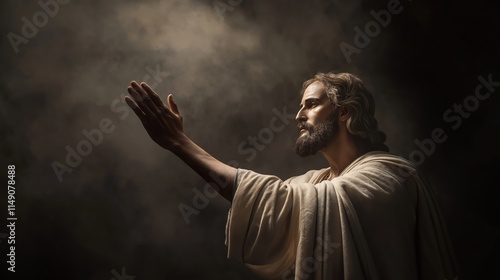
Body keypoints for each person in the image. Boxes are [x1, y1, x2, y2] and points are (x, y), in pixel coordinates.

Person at [124, 72, 459, 280]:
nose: (299, 116)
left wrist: (180, 143)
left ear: (344, 112)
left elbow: (277, 200)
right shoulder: (316, 183)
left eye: (311, 104)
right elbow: (266, 205)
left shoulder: (390, 176)